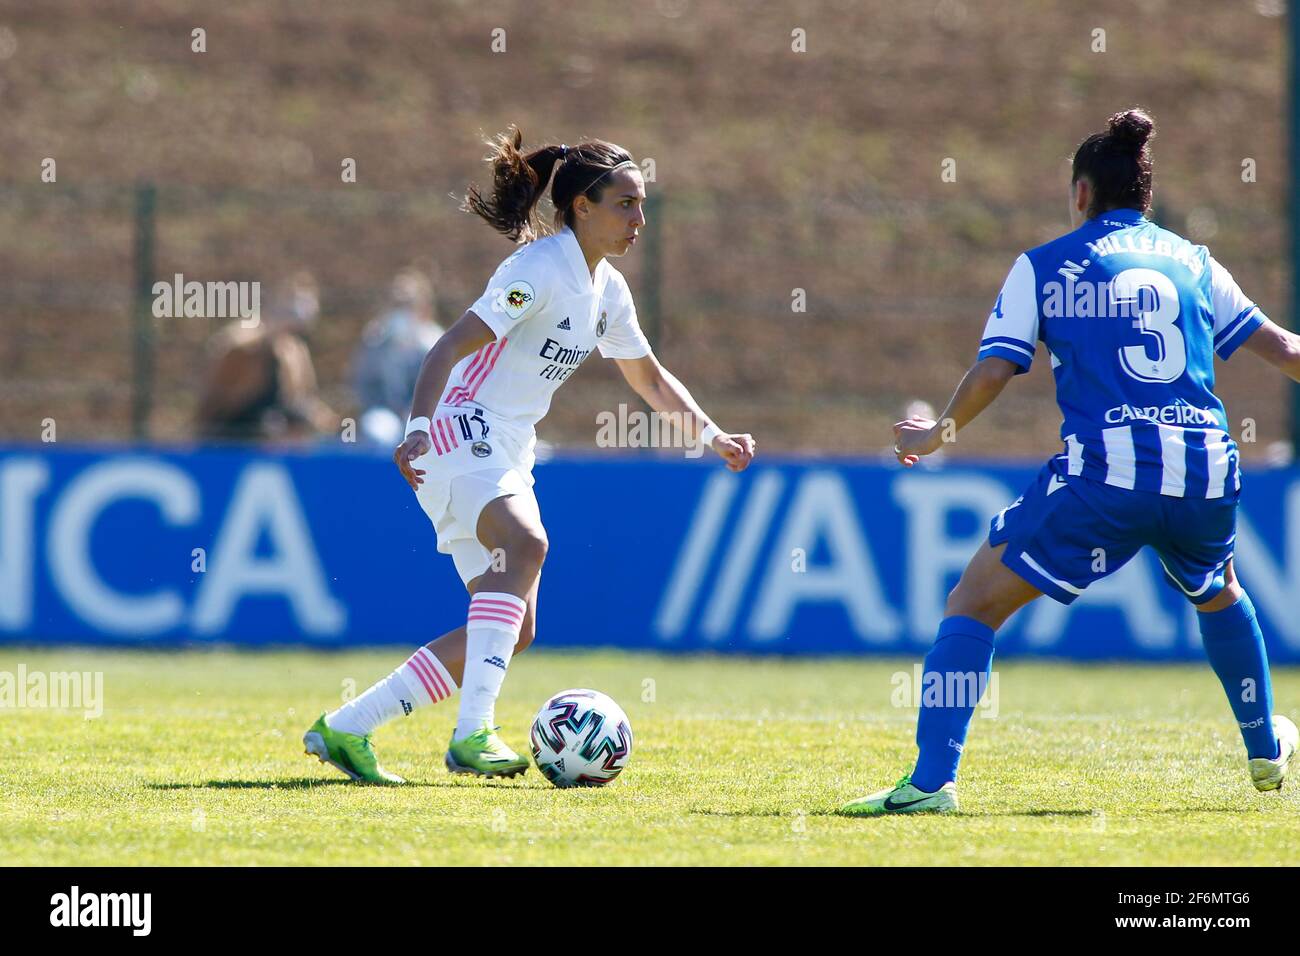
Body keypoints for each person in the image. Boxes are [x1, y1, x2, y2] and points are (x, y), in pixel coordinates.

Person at [842, 109, 1298, 815]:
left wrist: (935, 435)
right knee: (1218, 589)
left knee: (973, 603)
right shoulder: (1198, 264)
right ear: (1147, 198)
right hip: (1206, 466)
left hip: (1107, 475)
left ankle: (931, 784)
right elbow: (1290, 353)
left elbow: (996, 371)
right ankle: (1265, 747)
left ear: (1081, 193)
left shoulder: (1047, 265)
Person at [303, 128, 757, 783]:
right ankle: (472, 735)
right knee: (528, 545)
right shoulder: (538, 271)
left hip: (507, 450)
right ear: (581, 207)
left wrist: (712, 436)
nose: (639, 219)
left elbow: (651, 380)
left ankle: (347, 728)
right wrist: (419, 426)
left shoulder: (608, 292)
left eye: (642, 204)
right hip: (460, 431)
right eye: (625, 203)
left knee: (512, 628)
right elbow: (447, 348)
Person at [195, 271, 338, 444]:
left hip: (275, 432)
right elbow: (218, 402)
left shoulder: (293, 350)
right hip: (233, 434)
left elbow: (300, 399)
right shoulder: (242, 343)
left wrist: (329, 423)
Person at [352, 269, 444, 447]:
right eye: (397, 303)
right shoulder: (375, 340)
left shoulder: (436, 341)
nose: (401, 310)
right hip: (384, 411)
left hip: (426, 414)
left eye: (407, 303)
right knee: (377, 433)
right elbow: (362, 383)